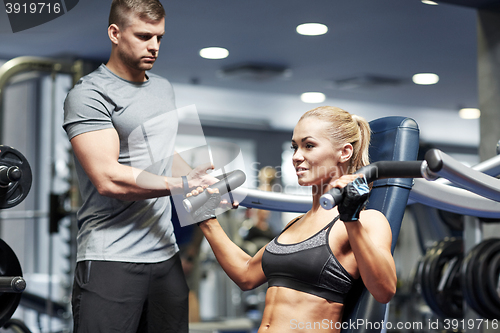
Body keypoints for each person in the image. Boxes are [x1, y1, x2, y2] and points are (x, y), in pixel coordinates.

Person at [62, 1, 216, 332]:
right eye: (144, 36)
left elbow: (180, 157)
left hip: (166, 256)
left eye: (159, 37)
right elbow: (108, 180)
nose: (154, 46)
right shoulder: (89, 94)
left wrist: (211, 192)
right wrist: (181, 183)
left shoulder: (164, 88)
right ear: (114, 33)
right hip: (110, 257)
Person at [190, 106, 397, 333]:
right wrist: (207, 220)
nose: (297, 157)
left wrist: (350, 218)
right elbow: (246, 274)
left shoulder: (368, 220)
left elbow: (384, 290)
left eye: (309, 145)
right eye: (294, 147)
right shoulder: (295, 224)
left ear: (344, 152)